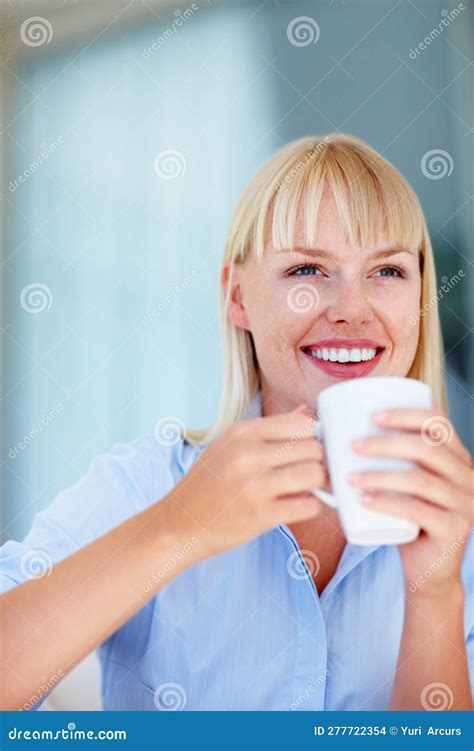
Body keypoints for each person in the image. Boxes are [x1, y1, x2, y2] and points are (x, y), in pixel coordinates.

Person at [1, 134, 472, 712]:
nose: (352, 308)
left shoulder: (459, 522)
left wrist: (435, 592)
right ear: (238, 297)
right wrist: (179, 527)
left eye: (388, 272)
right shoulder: (146, 482)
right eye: (307, 269)